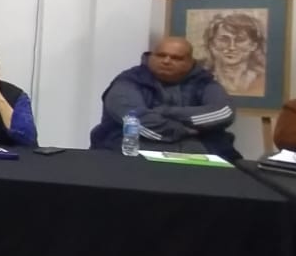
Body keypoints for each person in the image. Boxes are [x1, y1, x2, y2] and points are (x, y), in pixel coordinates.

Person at [89, 37, 236, 158]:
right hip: (130, 158)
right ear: (150, 56)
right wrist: (182, 130)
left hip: (198, 158)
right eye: (161, 55)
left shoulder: (204, 82)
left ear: (191, 62)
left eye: (176, 58)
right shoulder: (128, 81)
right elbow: (135, 121)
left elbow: (223, 112)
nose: (166, 61)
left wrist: (166, 112)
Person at [197, 11, 267, 99]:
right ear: (211, 44)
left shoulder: (262, 80)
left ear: (253, 45)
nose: (231, 47)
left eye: (240, 40)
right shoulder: (198, 79)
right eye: (224, 39)